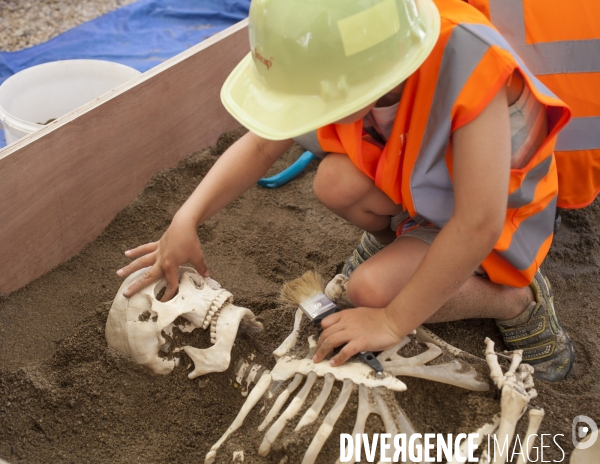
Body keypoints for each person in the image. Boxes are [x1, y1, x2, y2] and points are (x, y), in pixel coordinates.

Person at [117, 0, 576, 381]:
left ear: (361, 76)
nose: (314, 109)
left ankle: (516, 302)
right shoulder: (365, 55)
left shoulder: (468, 63)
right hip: (423, 185)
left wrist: (392, 320)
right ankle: (404, 247)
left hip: (498, 219)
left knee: (370, 290)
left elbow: (478, 221)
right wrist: (187, 218)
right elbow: (260, 144)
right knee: (335, 180)